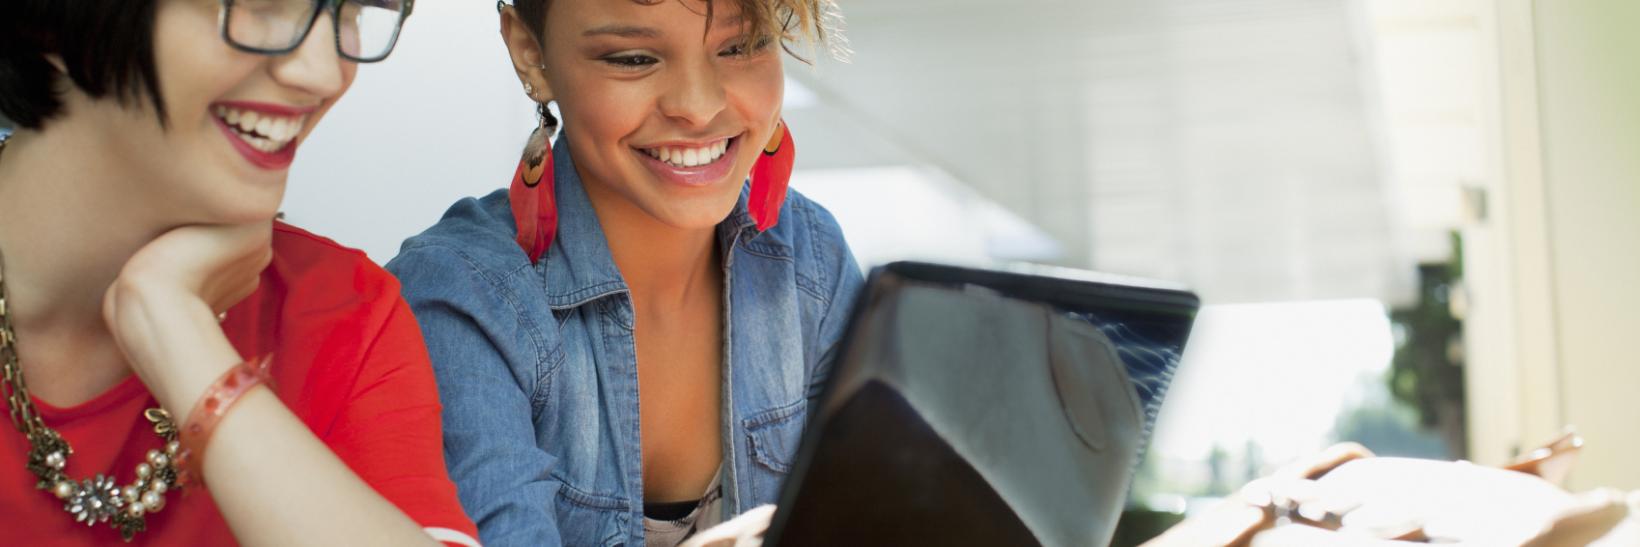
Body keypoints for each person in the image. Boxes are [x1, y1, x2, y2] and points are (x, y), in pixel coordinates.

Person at [0, 1, 480, 545]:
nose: (325, 73)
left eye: (355, 8)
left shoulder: (345, 314)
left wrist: (178, 333)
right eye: (261, 4)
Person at [384, 0, 857, 545]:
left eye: (741, 46)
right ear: (530, 53)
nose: (699, 107)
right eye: (633, 59)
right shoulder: (460, 302)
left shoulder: (810, 259)